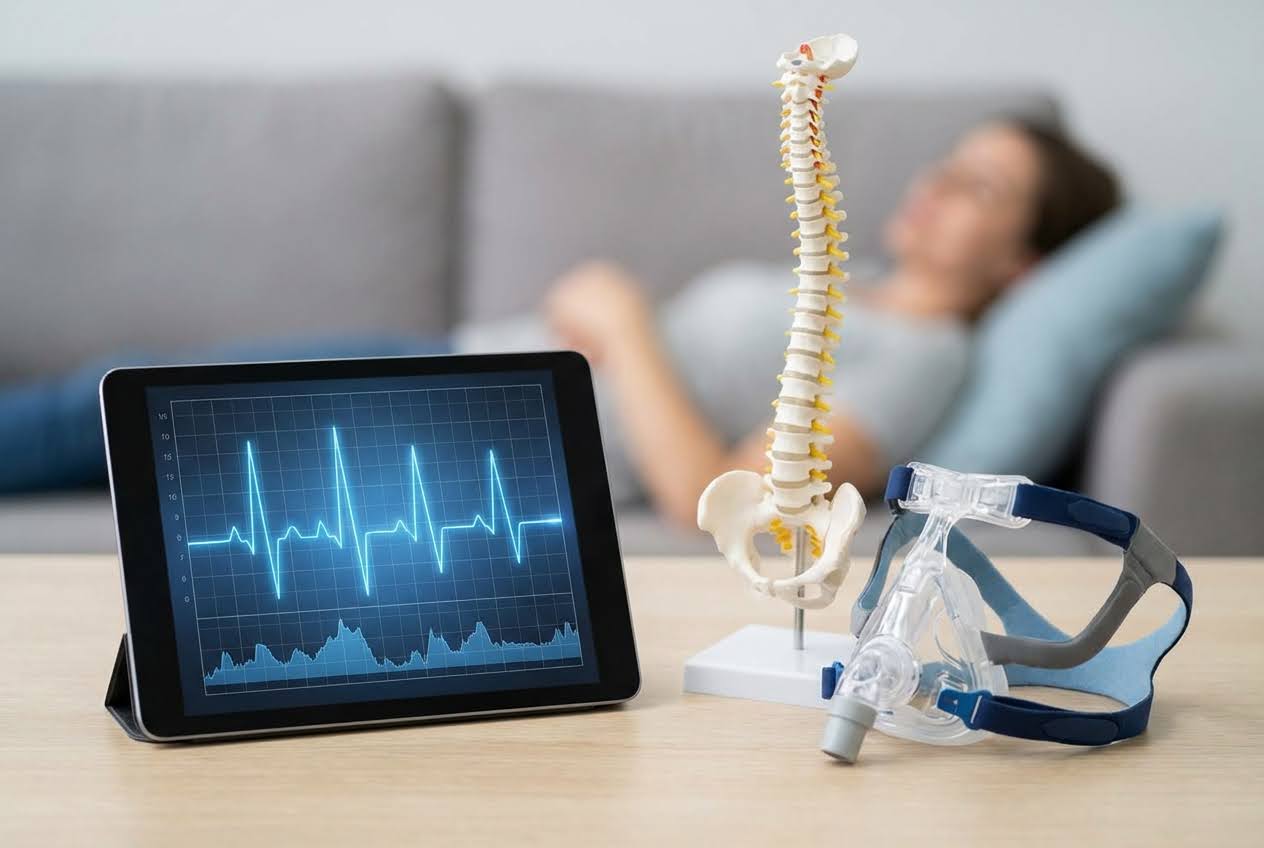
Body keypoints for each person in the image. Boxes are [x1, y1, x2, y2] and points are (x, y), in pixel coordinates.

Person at [0, 119, 1119, 526]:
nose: (935, 181)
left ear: (1022, 261)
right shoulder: (851, 283)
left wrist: (625, 324)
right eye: (951, 160)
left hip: (493, 431)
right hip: (466, 364)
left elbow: (731, 503)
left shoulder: (925, 355)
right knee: (114, 399)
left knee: (122, 411)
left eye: (978, 186)